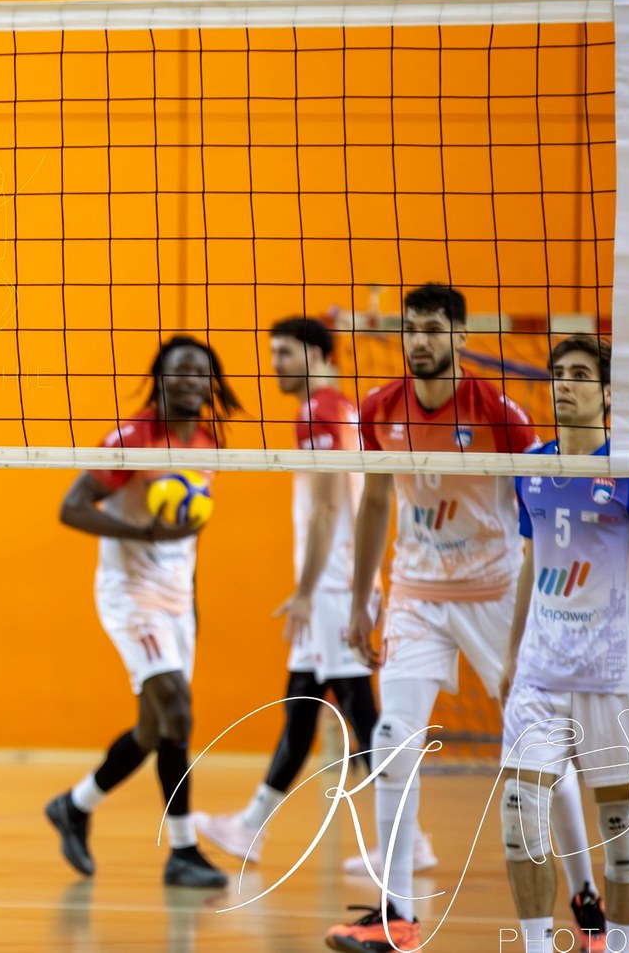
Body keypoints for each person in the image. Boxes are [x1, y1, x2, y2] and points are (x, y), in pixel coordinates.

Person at [324, 284, 599, 953]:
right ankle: (398, 913)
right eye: (411, 329)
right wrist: (365, 596)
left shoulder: (501, 414)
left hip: (496, 593)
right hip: (418, 595)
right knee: (392, 739)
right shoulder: (378, 408)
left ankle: (587, 898)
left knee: (542, 755)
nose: (419, 340)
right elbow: (376, 500)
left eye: (432, 329)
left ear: (458, 336)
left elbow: (540, 499)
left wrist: (555, 602)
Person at [498, 335, 629, 953]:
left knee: (622, 837)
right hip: (541, 675)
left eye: (580, 374)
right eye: (558, 373)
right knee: (520, 820)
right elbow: (531, 562)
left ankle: (622, 946)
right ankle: (536, 946)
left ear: (609, 394)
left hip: (615, 678)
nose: (566, 384)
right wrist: (511, 652)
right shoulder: (532, 465)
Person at [42, 335, 236, 889]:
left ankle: (74, 806)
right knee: (177, 707)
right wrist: (140, 532)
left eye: (200, 372)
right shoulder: (133, 438)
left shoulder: (209, 442)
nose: (190, 381)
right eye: (179, 372)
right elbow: (71, 508)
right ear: (160, 379)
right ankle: (182, 852)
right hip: (130, 592)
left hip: (176, 599)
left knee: (155, 728)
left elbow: (190, 538)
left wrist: (192, 608)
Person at [195, 316, 381, 865]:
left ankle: (406, 838)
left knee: (360, 711)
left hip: (332, 586)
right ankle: (250, 824)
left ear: (321, 356)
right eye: (271, 351)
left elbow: (328, 507)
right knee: (303, 701)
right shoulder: (336, 408)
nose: (274, 361)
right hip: (339, 580)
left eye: (285, 351)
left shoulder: (320, 411)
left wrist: (305, 590)